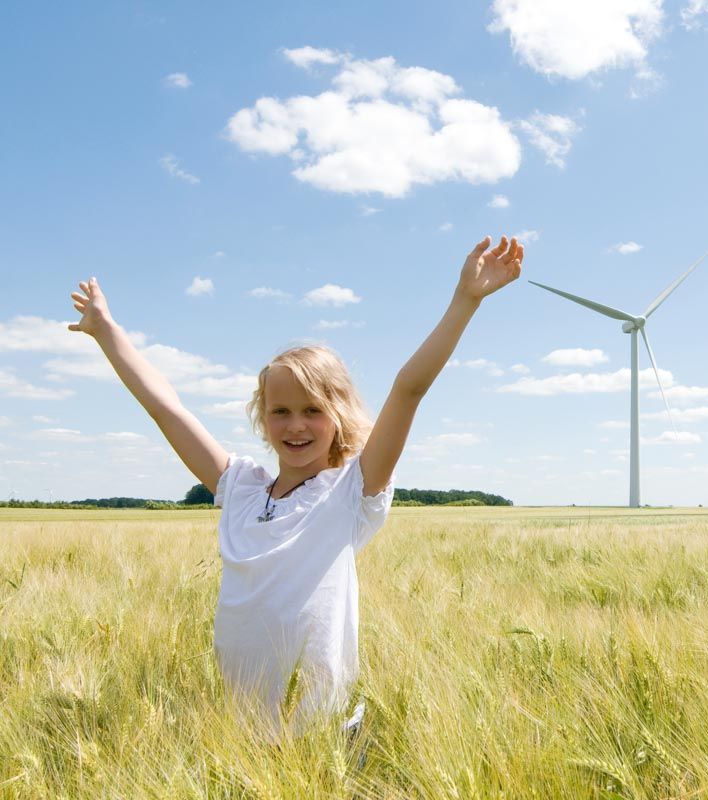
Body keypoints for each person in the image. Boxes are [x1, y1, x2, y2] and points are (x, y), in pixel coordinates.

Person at [68, 235, 524, 740]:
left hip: (319, 733)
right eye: (280, 411)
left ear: (339, 416)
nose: (295, 426)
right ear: (262, 419)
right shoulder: (239, 486)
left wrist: (465, 300)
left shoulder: (351, 492)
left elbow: (408, 388)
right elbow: (166, 408)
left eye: (313, 411)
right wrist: (107, 332)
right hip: (239, 729)